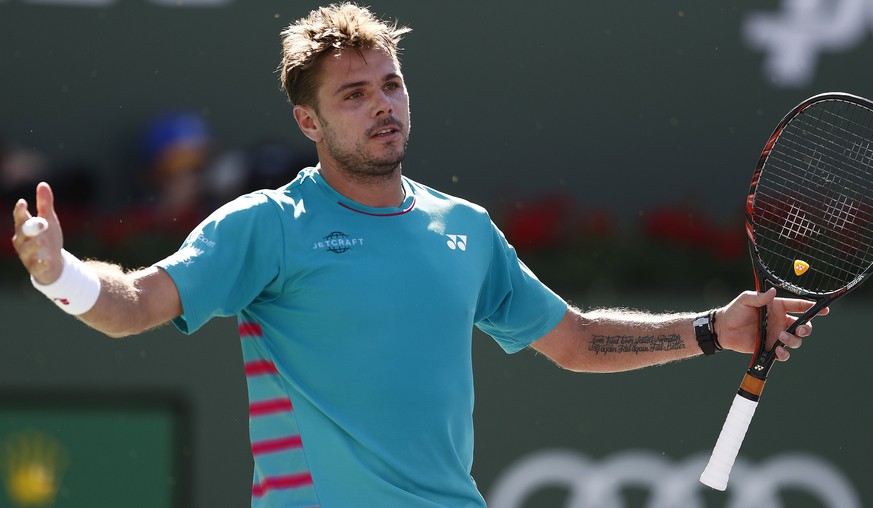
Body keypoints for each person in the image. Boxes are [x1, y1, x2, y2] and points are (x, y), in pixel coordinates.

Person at [10, 3, 825, 507]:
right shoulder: (267, 224)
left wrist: (715, 330)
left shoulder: (463, 229)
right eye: (353, 96)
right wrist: (61, 275)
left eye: (390, 85)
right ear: (309, 123)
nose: (382, 108)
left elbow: (572, 341)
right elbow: (134, 308)